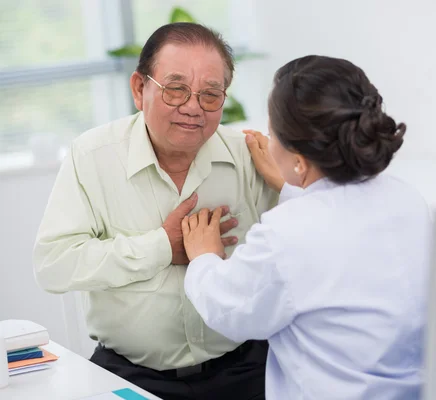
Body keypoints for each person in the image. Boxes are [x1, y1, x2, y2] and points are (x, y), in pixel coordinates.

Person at [33, 22, 278, 400]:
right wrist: (163, 247)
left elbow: (305, 251)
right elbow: (54, 264)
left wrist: (288, 188)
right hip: (132, 376)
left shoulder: (248, 155)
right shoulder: (92, 156)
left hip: (244, 368)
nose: (193, 108)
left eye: (211, 94)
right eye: (176, 89)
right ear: (139, 88)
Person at [181, 55, 433, 400]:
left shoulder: (287, 234)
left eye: (272, 135)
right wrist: (294, 186)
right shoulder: (406, 199)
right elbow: (336, 233)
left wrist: (204, 258)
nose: (269, 145)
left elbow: (231, 311)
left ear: (298, 159)